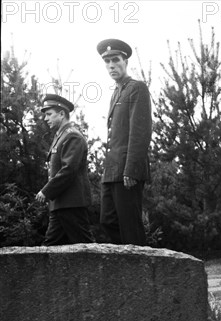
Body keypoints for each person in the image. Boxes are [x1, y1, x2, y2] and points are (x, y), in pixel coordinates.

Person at [97, 38, 152, 245]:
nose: (111, 65)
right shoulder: (116, 92)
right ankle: (127, 267)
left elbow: (140, 132)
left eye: (116, 60)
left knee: (130, 226)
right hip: (111, 170)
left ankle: (141, 271)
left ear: (125, 61)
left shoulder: (137, 88)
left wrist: (131, 169)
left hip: (127, 170)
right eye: (107, 62)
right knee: (107, 221)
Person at [35, 94, 93, 246]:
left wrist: (46, 191)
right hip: (61, 204)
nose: (46, 119)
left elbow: (68, 170)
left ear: (62, 114)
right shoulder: (60, 136)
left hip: (71, 204)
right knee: (49, 248)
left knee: (85, 249)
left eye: (49, 114)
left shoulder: (72, 136)